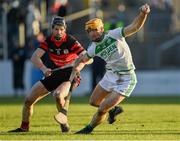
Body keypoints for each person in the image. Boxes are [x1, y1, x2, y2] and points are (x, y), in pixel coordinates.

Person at [74, 4, 150, 134]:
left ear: (102, 28)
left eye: (94, 29)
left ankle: (88, 129)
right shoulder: (93, 47)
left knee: (102, 107)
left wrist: (143, 14)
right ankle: (113, 110)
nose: (92, 33)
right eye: (89, 31)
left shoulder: (114, 34)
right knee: (93, 102)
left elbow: (135, 27)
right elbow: (84, 60)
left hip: (126, 78)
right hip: (111, 75)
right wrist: (76, 69)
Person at [8, 16, 91, 133]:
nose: (59, 32)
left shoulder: (70, 41)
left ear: (65, 29)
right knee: (28, 100)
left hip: (71, 74)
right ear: (52, 29)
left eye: (62, 29)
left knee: (58, 95)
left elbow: (86, 58)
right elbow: (34, 57)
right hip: (54, 72)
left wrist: (78, 67)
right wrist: (43, 68)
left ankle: (64, 123)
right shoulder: (48, 41)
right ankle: (24, 128)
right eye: (56, 29)